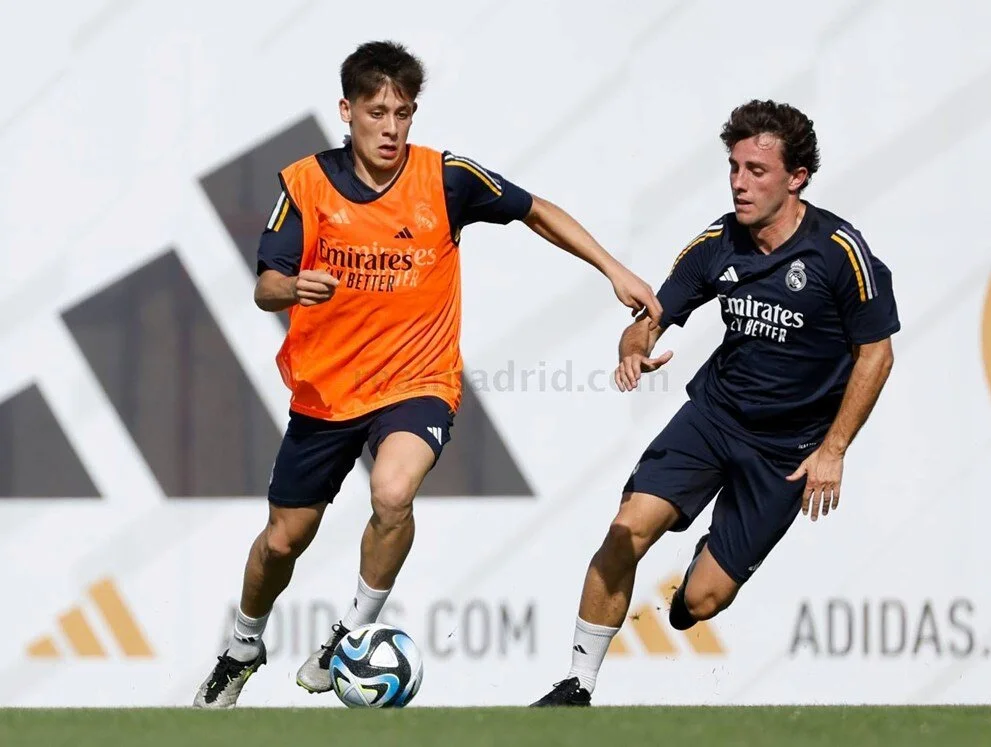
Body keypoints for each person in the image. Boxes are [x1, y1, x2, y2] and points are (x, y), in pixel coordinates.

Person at [193, 40, 661, 709]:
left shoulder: (444, 178)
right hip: (326, 391)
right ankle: (242, 645)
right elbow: (265, 284)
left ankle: (351, 634)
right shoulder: (306, 183)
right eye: (377, 111)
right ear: (346, 111)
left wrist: (614, 269)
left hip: (418, 381)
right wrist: (294, 287)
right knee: (282, 540)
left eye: (403, 112)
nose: (390, 127)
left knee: (392, 490)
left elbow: (536, 209)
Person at [531, 99, 900, 706]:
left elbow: (876, 354)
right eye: (734, 166)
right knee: (627, 529)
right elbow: (651, 316)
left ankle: (707, 563)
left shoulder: (838, 251)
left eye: (757, 170)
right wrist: (634, 346)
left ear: (797, 177)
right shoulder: (717, 242)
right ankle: (576, 684)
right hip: (713, 417)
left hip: (789, 447)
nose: (739, 182)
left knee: (699, 603)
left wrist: (833, 450)